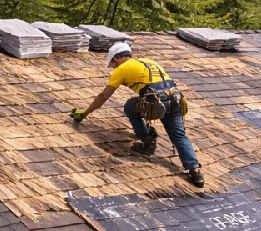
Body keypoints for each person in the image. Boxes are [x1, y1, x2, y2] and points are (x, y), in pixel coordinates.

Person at [70, 42, 204, 188]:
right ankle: (194, 170)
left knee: (130, 106)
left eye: (113, 63)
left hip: (156, 103)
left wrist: (84, 114)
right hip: (176, 100)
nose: (114, 67)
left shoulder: (122, 69)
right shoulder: (149, 61)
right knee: (179, 136)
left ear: (116, 58)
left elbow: (103, 96)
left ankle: (147, 141)